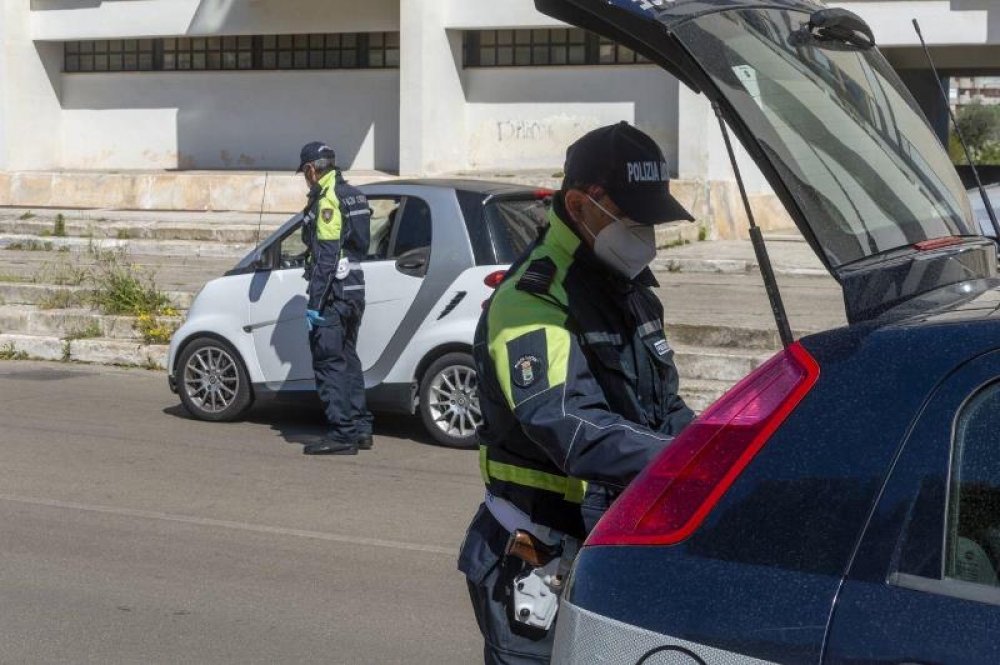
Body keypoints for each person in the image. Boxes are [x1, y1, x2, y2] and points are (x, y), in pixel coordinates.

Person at [458, 122, 695, 663]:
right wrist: (690, 463)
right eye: (633, 217)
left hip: (607, 546)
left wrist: (725, 444)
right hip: (539, 556)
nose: (646, 232)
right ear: (580, 204)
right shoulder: (532, 299)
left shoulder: (625, 289)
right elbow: (570, 426)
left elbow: (662, 407)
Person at [295, 141, 374, 455]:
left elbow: (327, 258)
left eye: (304, 173)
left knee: (329, 363)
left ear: (312, 169)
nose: (305, 178)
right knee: (348, 359)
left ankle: (342, 434)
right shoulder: (354, 193)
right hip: (354, 290)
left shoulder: (328, 199)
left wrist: (314, 304)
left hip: (333, 295)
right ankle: (361, 428)